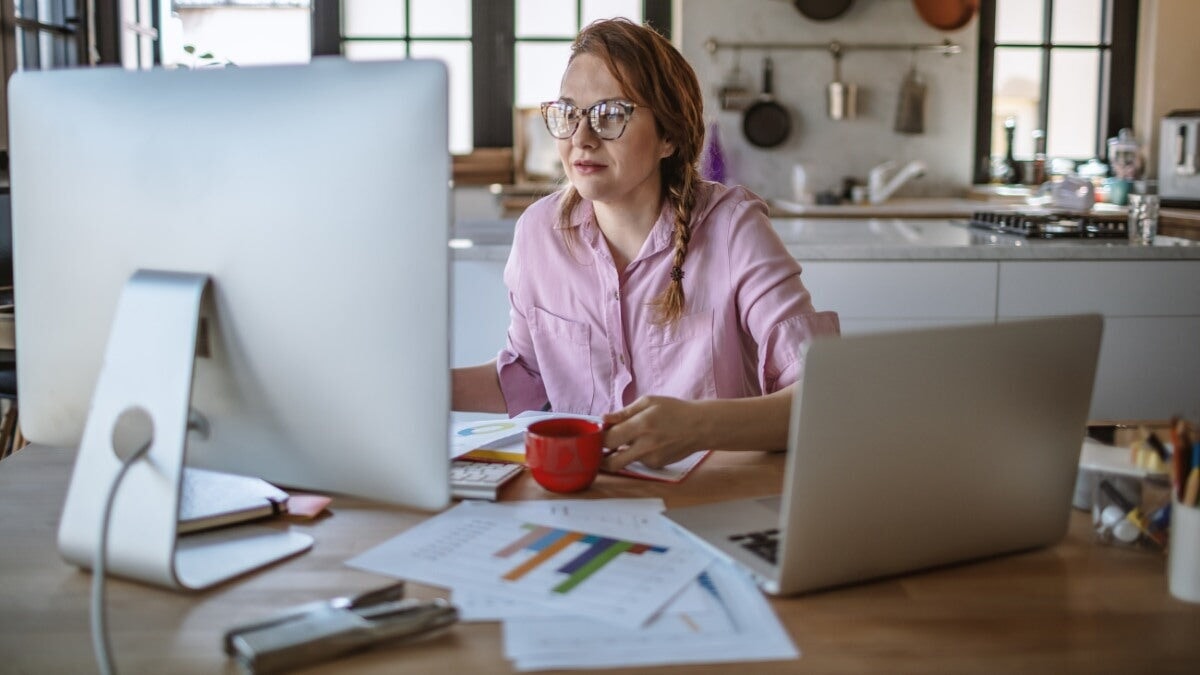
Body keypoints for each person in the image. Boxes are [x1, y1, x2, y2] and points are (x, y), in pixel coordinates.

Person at [452, 18, 838, 472]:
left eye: (611, 114)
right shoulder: (538, 233)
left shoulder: (733, 229)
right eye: (569, 112)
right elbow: (528, 380)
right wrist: (411, 388)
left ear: (669, 136)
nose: (581, 138)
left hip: (712, 500)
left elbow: (822, 396)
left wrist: (699, 426)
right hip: (590, 500)